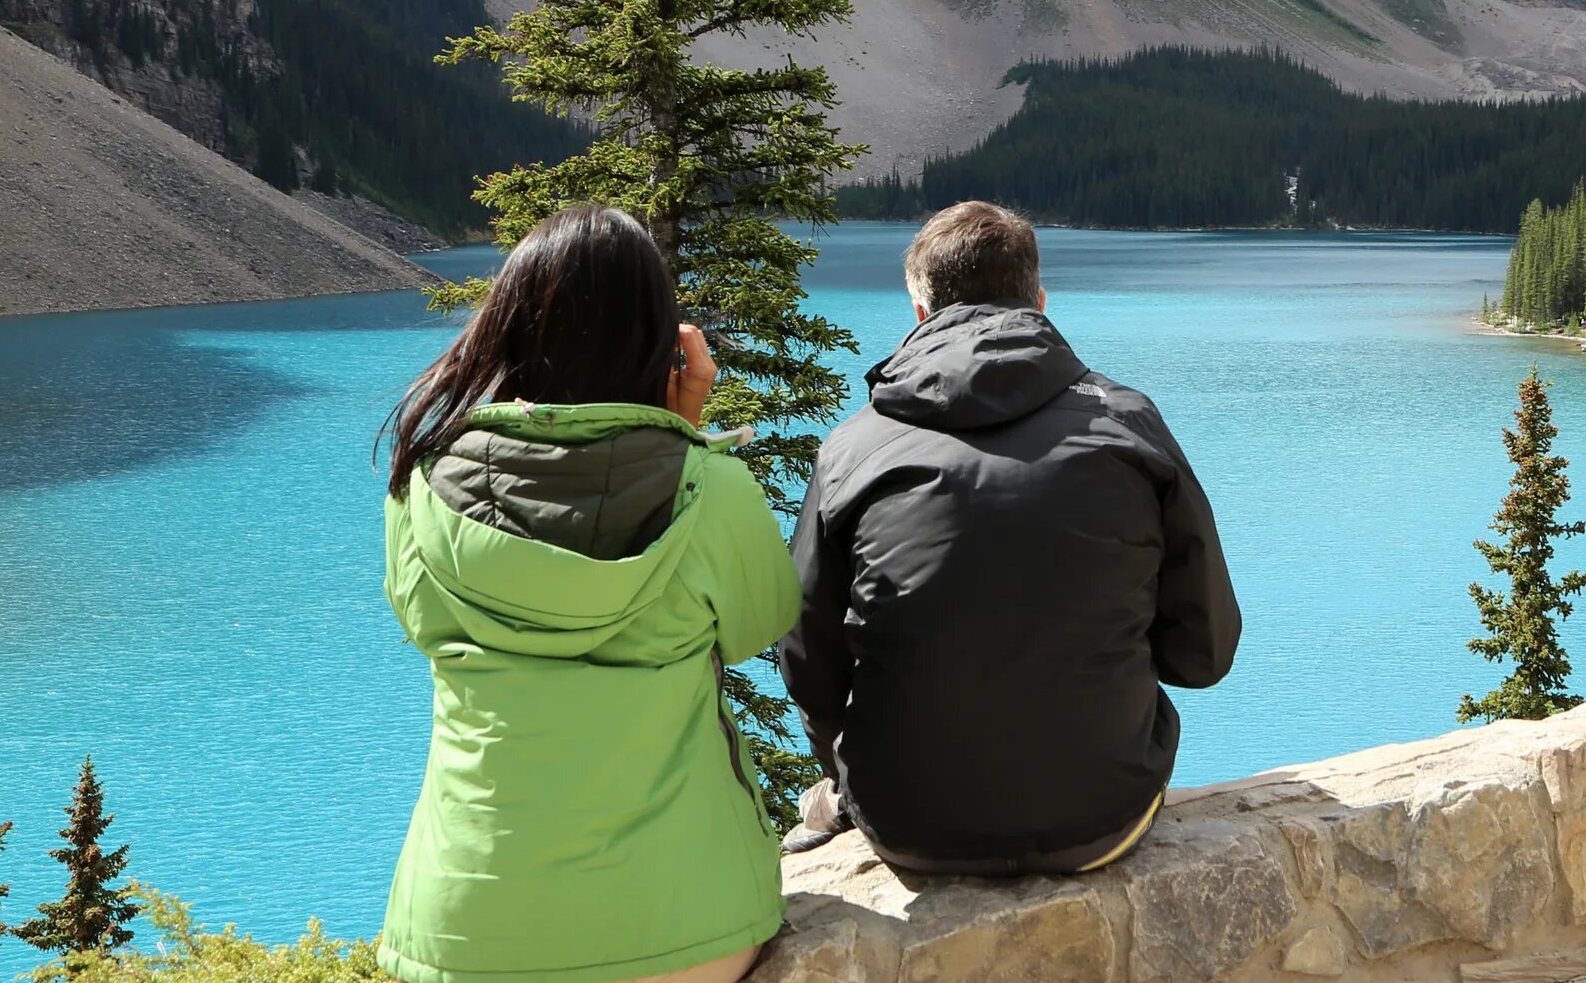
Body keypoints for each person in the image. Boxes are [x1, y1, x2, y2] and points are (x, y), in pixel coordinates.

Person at [376, 204, 798, 983]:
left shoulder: (421, 490)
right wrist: (685, 430)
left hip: (465, 937)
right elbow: (758, 623)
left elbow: (418, 623)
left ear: (504, 328)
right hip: (687, 930)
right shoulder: (712, 488)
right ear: (662, 340)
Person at [779, 201, 1242, 876]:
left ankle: (831, 806)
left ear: (919, 313)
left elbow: (806, 660)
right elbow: (1205, 653)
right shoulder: (1128, 423)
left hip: (909, 825)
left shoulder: (853, 449)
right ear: (1040, 302)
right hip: (1103, 814)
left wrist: (849, 770)